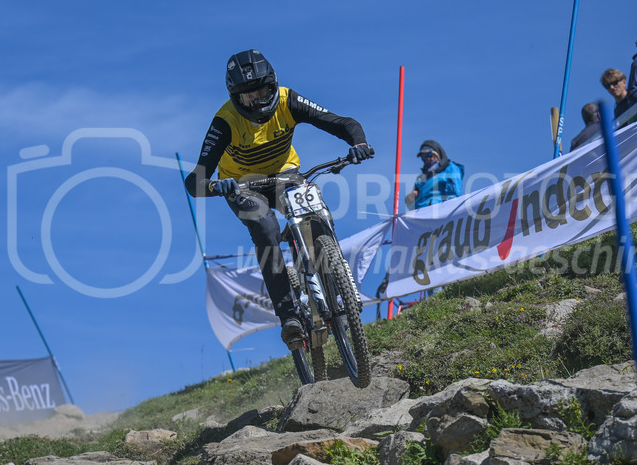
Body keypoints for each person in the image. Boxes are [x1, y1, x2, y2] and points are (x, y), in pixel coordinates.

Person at [185, 49, 373, 348]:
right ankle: (290, 318)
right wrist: (216, 186)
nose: (257, 100)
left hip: (285, 174)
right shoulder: (225, 121)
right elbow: (194, 181)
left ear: (273, 85)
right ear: (235, 97)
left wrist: (358, 143)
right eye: (248, 97)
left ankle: (331, 275)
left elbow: (340, 122)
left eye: (262, 92)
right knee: (266, 229)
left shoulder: (288, 100)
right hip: (243, 185)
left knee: (314, 207)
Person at [405, 140, 463, 209]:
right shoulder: (421, 178)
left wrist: (448, 210)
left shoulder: (450, 168)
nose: (427, 159)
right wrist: (409, 200)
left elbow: (454, 194)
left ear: (438, 154)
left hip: (437, 212)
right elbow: (411, 204)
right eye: (424, 157)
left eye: (430, 155)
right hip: (420, 214)